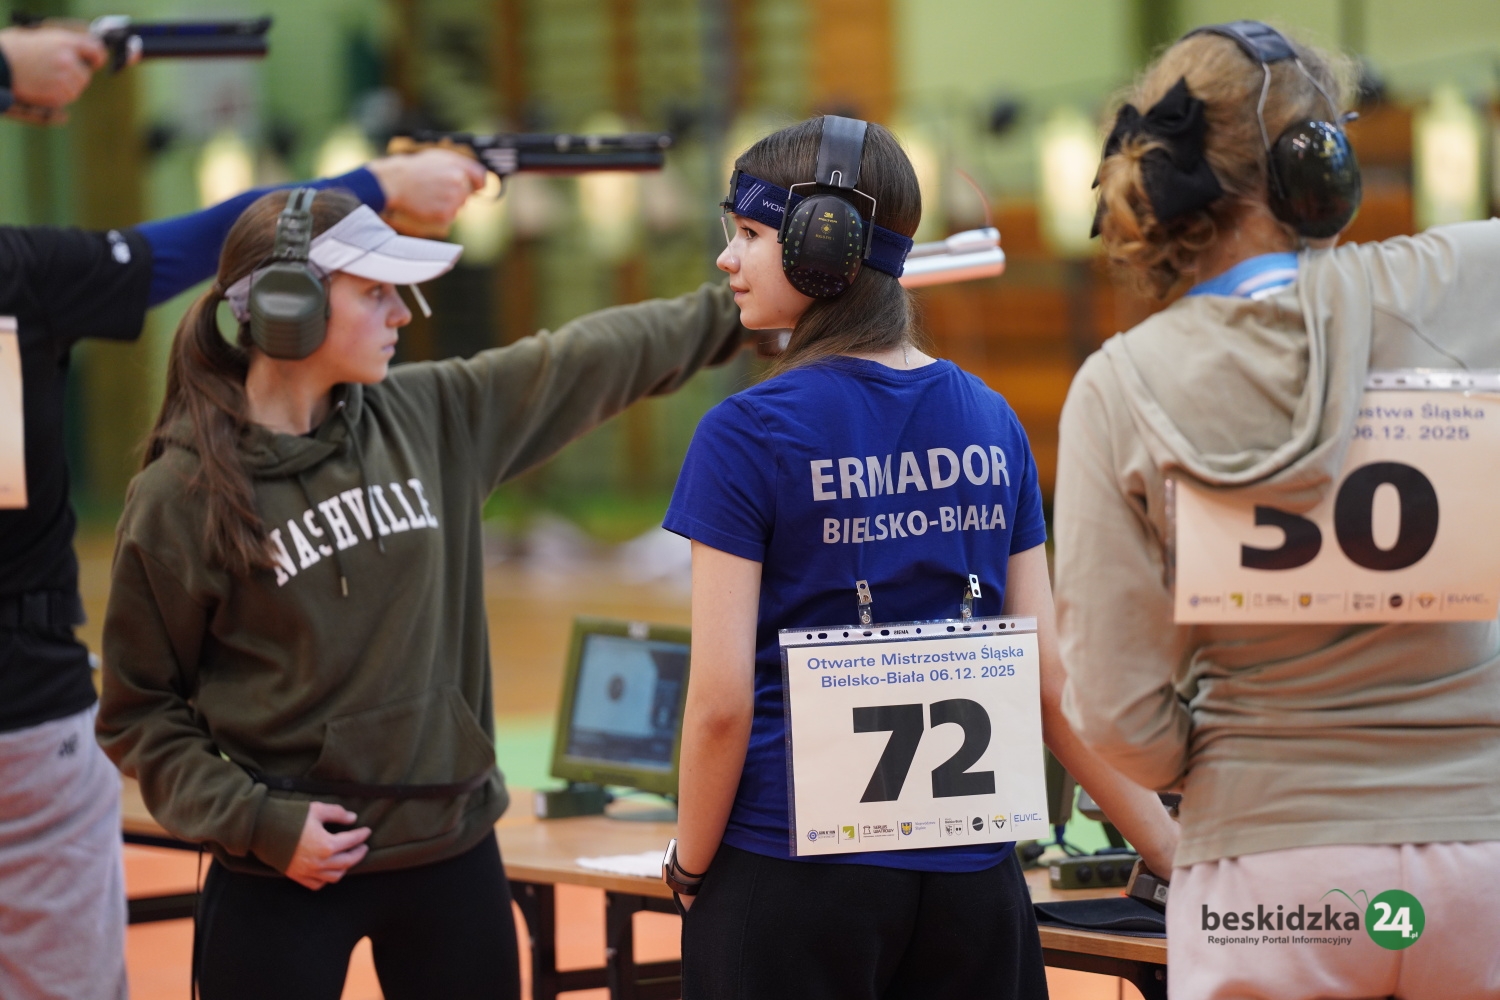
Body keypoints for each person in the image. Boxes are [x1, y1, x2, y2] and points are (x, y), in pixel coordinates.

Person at [94, 184, 750, 999]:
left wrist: (753, 304)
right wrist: (257, 822)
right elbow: (138, 712)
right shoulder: (178, 495)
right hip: (282, 870)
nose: (402, 313)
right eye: (375, 293)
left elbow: (595, 355)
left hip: (452, 857)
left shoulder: (432, 414)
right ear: (288, 306)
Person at [0, 35, 484, 993]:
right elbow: (194, 249)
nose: (395, 314)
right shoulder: (22, 274)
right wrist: (378, 185)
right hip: (23, 714)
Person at [662, 115, 1178, 1000]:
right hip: (974, 888)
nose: (727, 258)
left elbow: (718, 706)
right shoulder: (992, 418)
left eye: (747, 233)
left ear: (822, 247)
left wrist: (690, 863)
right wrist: (1172, 851)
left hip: (788, 879)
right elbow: (1050, 678)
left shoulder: (743, 433)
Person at [1056, 21, 1500, 1000]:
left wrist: (1216, 756)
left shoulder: (1117, 386)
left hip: (1267, 868)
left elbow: (1118, 714)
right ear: (1319, 166)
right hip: (1482, 853)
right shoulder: (1462, 286)